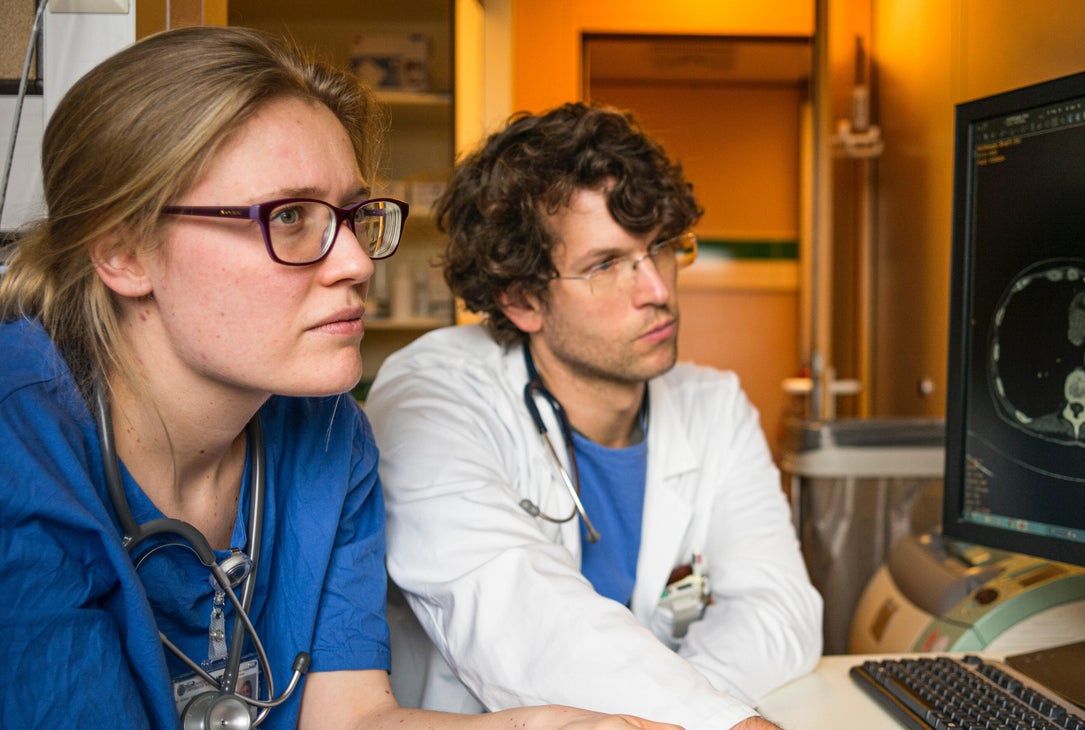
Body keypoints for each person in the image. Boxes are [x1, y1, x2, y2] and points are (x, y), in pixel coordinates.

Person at [0, 27, 678, 730]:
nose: (356, 261)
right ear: (124, 252)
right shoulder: (18, 448)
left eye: (354, 215)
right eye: (290, 217)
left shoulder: (330, 432)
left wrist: (529, 727)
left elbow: (350, 718)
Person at [364, 102, 823, 730]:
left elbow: (780, 608)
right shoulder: (432, 396)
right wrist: (717, 721)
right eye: (605, 265)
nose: (657, 290)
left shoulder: (714, 406)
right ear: (522, 299)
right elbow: (516, 608)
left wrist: (695, 710)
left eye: (659, 247)